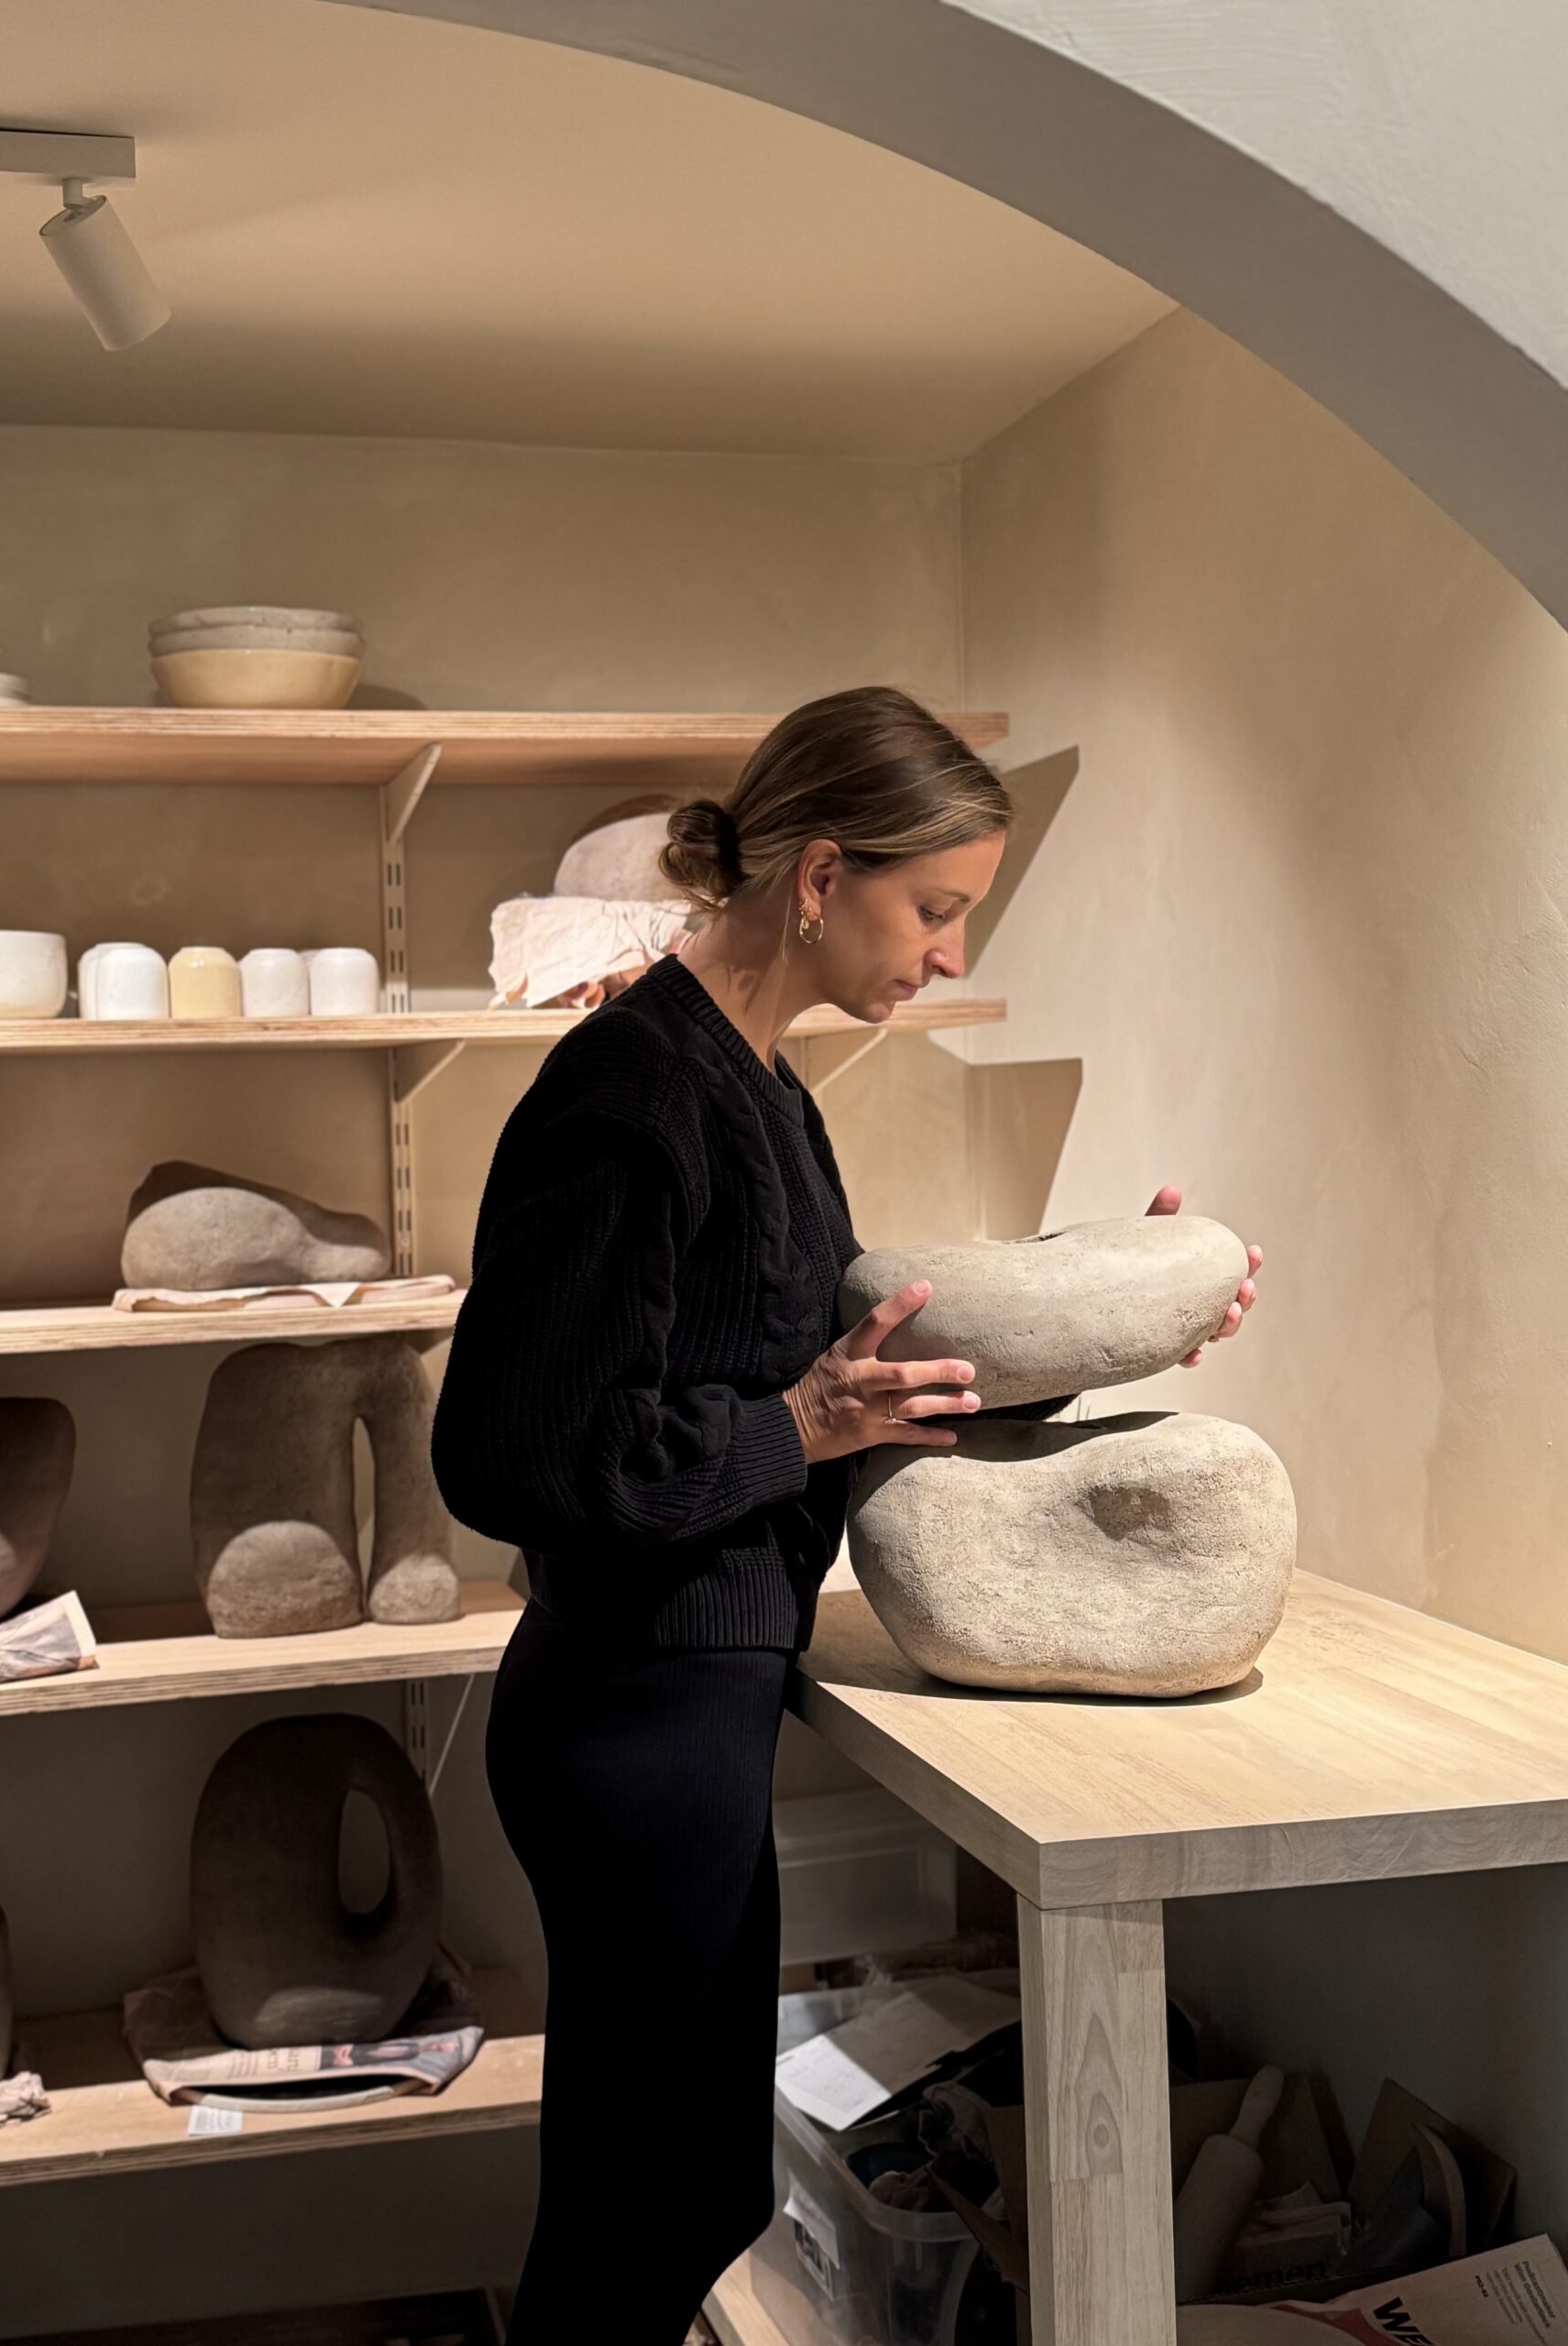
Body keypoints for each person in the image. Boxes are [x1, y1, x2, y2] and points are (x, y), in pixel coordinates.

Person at [429, 685, 1259, 2343]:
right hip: (627, 1719)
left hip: (689, 1706)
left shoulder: (766, 1089)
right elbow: (511, 1454)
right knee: (636, 2219)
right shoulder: (630, 1095)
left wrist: (1111, 1304)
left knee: (689, 2194)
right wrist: (796, 1426)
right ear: (820, 876)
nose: (949, 955)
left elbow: (823, 1368)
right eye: (936, 908)